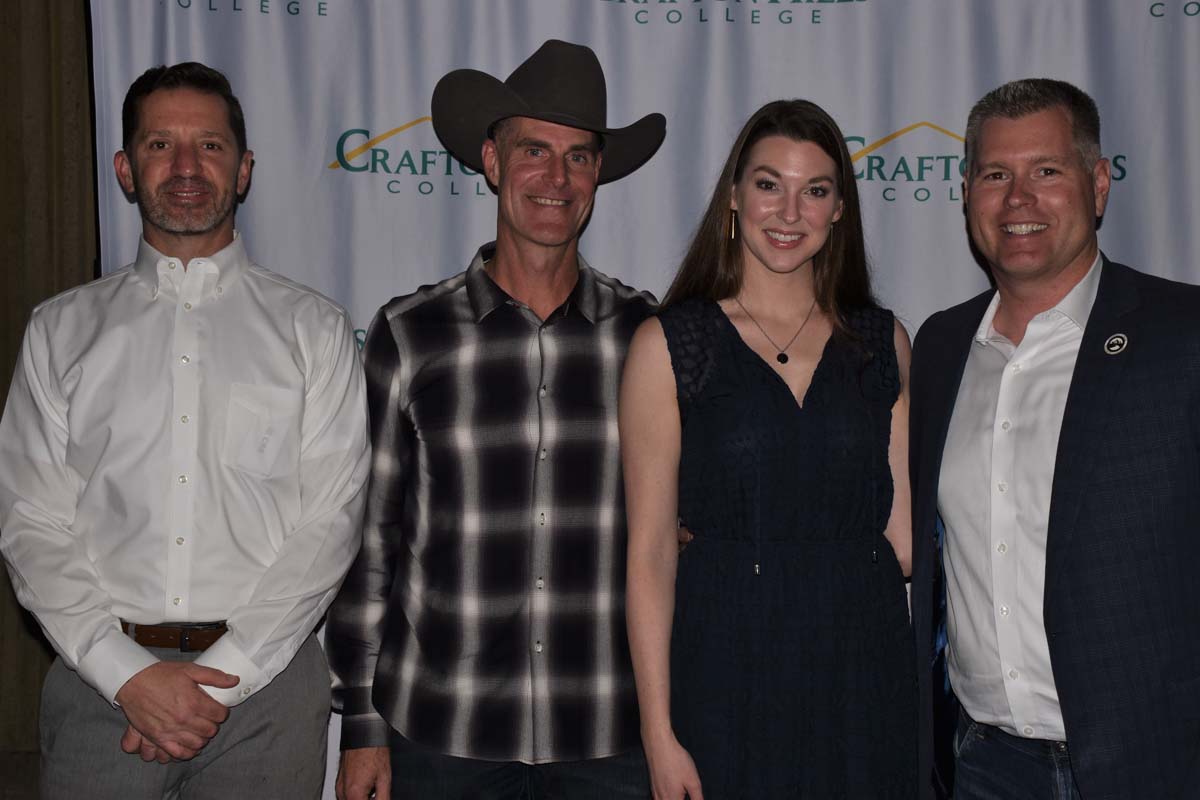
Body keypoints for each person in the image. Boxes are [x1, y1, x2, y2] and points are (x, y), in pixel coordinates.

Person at [0, 62, 370, 798]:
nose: (187, 167)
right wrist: (124, 673)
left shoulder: (315, 331)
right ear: (125, 167)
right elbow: (29, 521)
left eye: (209, 145)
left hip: (269, 691)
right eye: (160, 145)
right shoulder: (59, 331)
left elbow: (330, 522)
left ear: (244, 168)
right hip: (97, 684)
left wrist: (220, 681)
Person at [325, 39, 666, 800]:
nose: (557, 178)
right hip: (445, 737)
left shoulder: (650, 337)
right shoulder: (410, 333)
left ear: (599, 174)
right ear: (491, 160)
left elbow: (676, 536)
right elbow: (369, 543)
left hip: (609, 737)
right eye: (534, 151)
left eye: (579, 157)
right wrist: (360, 725)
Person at [910, 78, 1200, 799]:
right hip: (983, 766)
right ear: (967, 191)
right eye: (995, 175)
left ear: (1097, 185)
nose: (1018, 199)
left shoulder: (1184, 335)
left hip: (1154, 763)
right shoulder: (941, 346)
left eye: (1046, 171)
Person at [622, 99, 917, 800]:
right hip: (724, 675)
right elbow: (651, 556)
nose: (789, 212)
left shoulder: (883, 340)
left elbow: (904, 541)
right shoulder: (671, 345)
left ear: (839, 208)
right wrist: (658, 734)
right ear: (732, 195)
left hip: (861, 676)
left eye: (814, 190)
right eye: (767, 184)